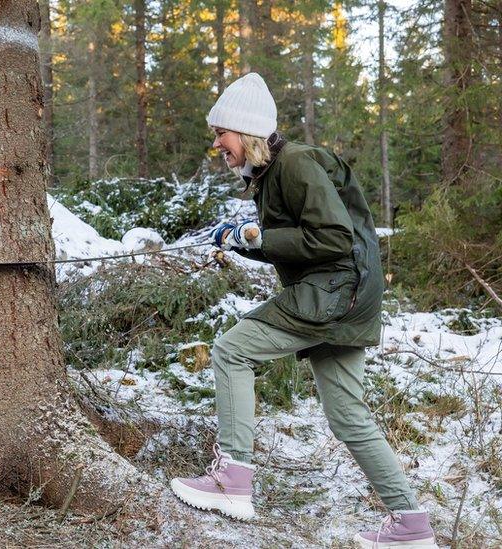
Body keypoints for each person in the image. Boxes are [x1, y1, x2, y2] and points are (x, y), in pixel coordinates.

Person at [169, 73, 437, 549]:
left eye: (220, 134)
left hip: (333, 293)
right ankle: (411, 527)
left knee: (232, 351)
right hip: (346, 296)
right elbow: (304, 242)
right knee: (348, 415)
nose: (216, 145)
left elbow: (333, 239)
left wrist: (261, 237)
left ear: (246, 131)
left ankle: (233, 481)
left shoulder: (296, 164)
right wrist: (245, 240)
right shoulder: (272, 173)